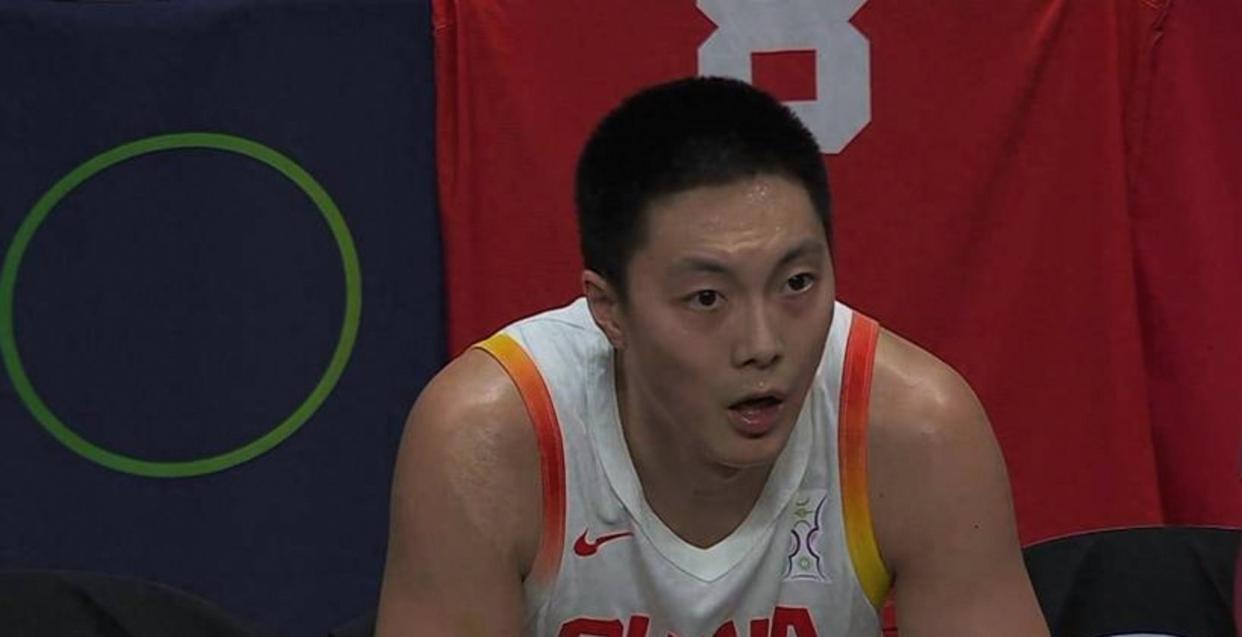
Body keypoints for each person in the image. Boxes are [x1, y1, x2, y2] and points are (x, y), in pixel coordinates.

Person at [375, 76, 1050, 636]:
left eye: (796, 283)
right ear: (609, 310)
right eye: (706, 298)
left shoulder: (915, 427)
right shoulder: (489, 437)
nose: (763, 344)